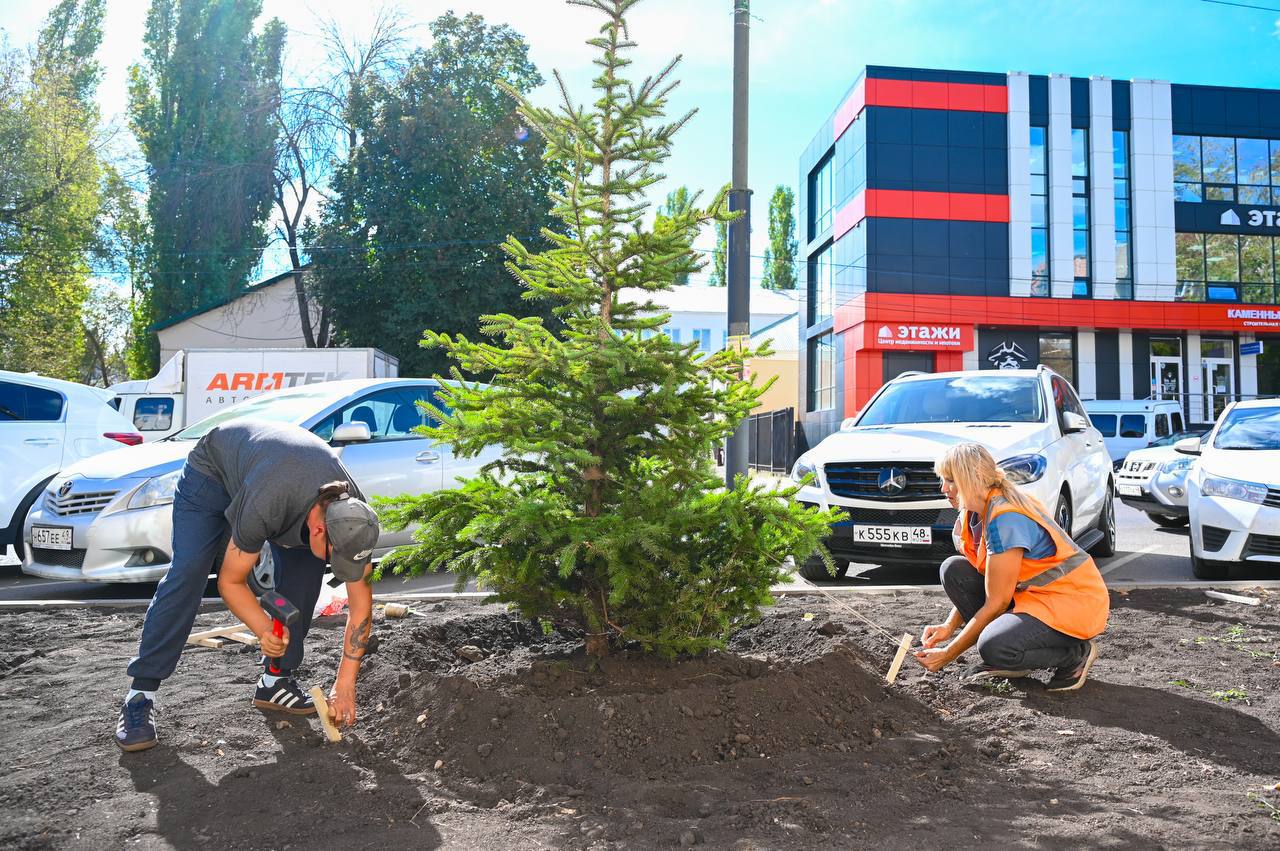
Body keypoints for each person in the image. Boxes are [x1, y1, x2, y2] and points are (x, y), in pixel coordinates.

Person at [115, 420, 381, 752]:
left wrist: (345, 685)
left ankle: (275, 680)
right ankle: (140, 694)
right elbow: (231, 581)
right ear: (317, 531)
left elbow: (361, 607)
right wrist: (262, 629)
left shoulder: (353, 519)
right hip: (213, 477)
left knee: (305, 576)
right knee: (190, 572)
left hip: (277, 478)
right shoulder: (268, 502)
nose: (339, 567)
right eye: (335, 558)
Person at [913, 442, 1108, 691]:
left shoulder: (1006, 518)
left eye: (950, 480)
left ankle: (1074, 654)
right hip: (1035, 597)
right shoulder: (976, 510)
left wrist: (948, 654)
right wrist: (948, 627)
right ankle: (1013, 648)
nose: (944, 488)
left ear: (972, 479)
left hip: (1072, 604)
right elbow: (986, 576)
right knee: (954, 570)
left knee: (993, 647)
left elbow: (996, 603)